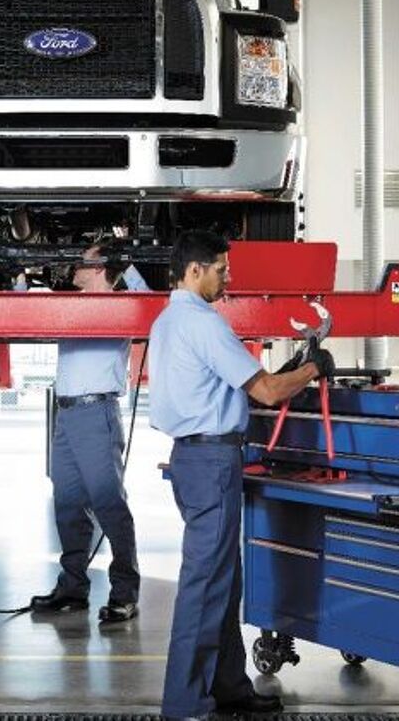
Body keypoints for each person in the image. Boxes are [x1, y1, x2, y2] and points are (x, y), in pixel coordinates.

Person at [148, 230, 334, 721]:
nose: (227, 278)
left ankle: (228, 686)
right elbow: (267, 391)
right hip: (212, 462)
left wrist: (290, 370)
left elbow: (235, 385)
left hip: (191, 459)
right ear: (195, 270)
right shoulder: (203, 322)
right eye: (221, 269)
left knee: (223, 582)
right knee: (205, 586)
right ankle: (185, 705)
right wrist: (312, 369)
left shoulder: (166, 322)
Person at [30, 240, 149, 622]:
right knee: (67, 504)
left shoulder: (124, 304)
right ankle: (73, 588)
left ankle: (125, 594)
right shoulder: (71, 305)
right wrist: (18, 275)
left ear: (100, 267)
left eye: (83, 260)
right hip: (66, 414)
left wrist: (125, 264)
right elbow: (23, 311)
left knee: (109, 504)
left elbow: (152, 305)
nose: (73, 265)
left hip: (97, 413)